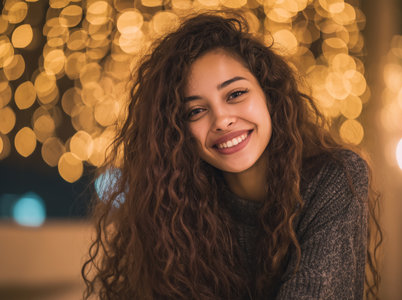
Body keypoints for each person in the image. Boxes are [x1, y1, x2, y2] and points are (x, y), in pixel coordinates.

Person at [82, 11, 381, 300]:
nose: (222, 120)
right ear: (179, 132)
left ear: (270, 95)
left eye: (235, 94)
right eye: (196, 111)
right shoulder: (174, 213)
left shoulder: (334, 178)